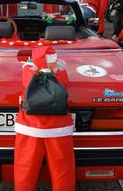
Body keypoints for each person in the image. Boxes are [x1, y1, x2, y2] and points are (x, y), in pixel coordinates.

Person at [14, 46, 75, 191]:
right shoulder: (60, 71)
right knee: (63, 170)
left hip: (29, 129)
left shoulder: (28, 70)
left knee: (25, 169)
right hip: (60, 129)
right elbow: (64, 86)